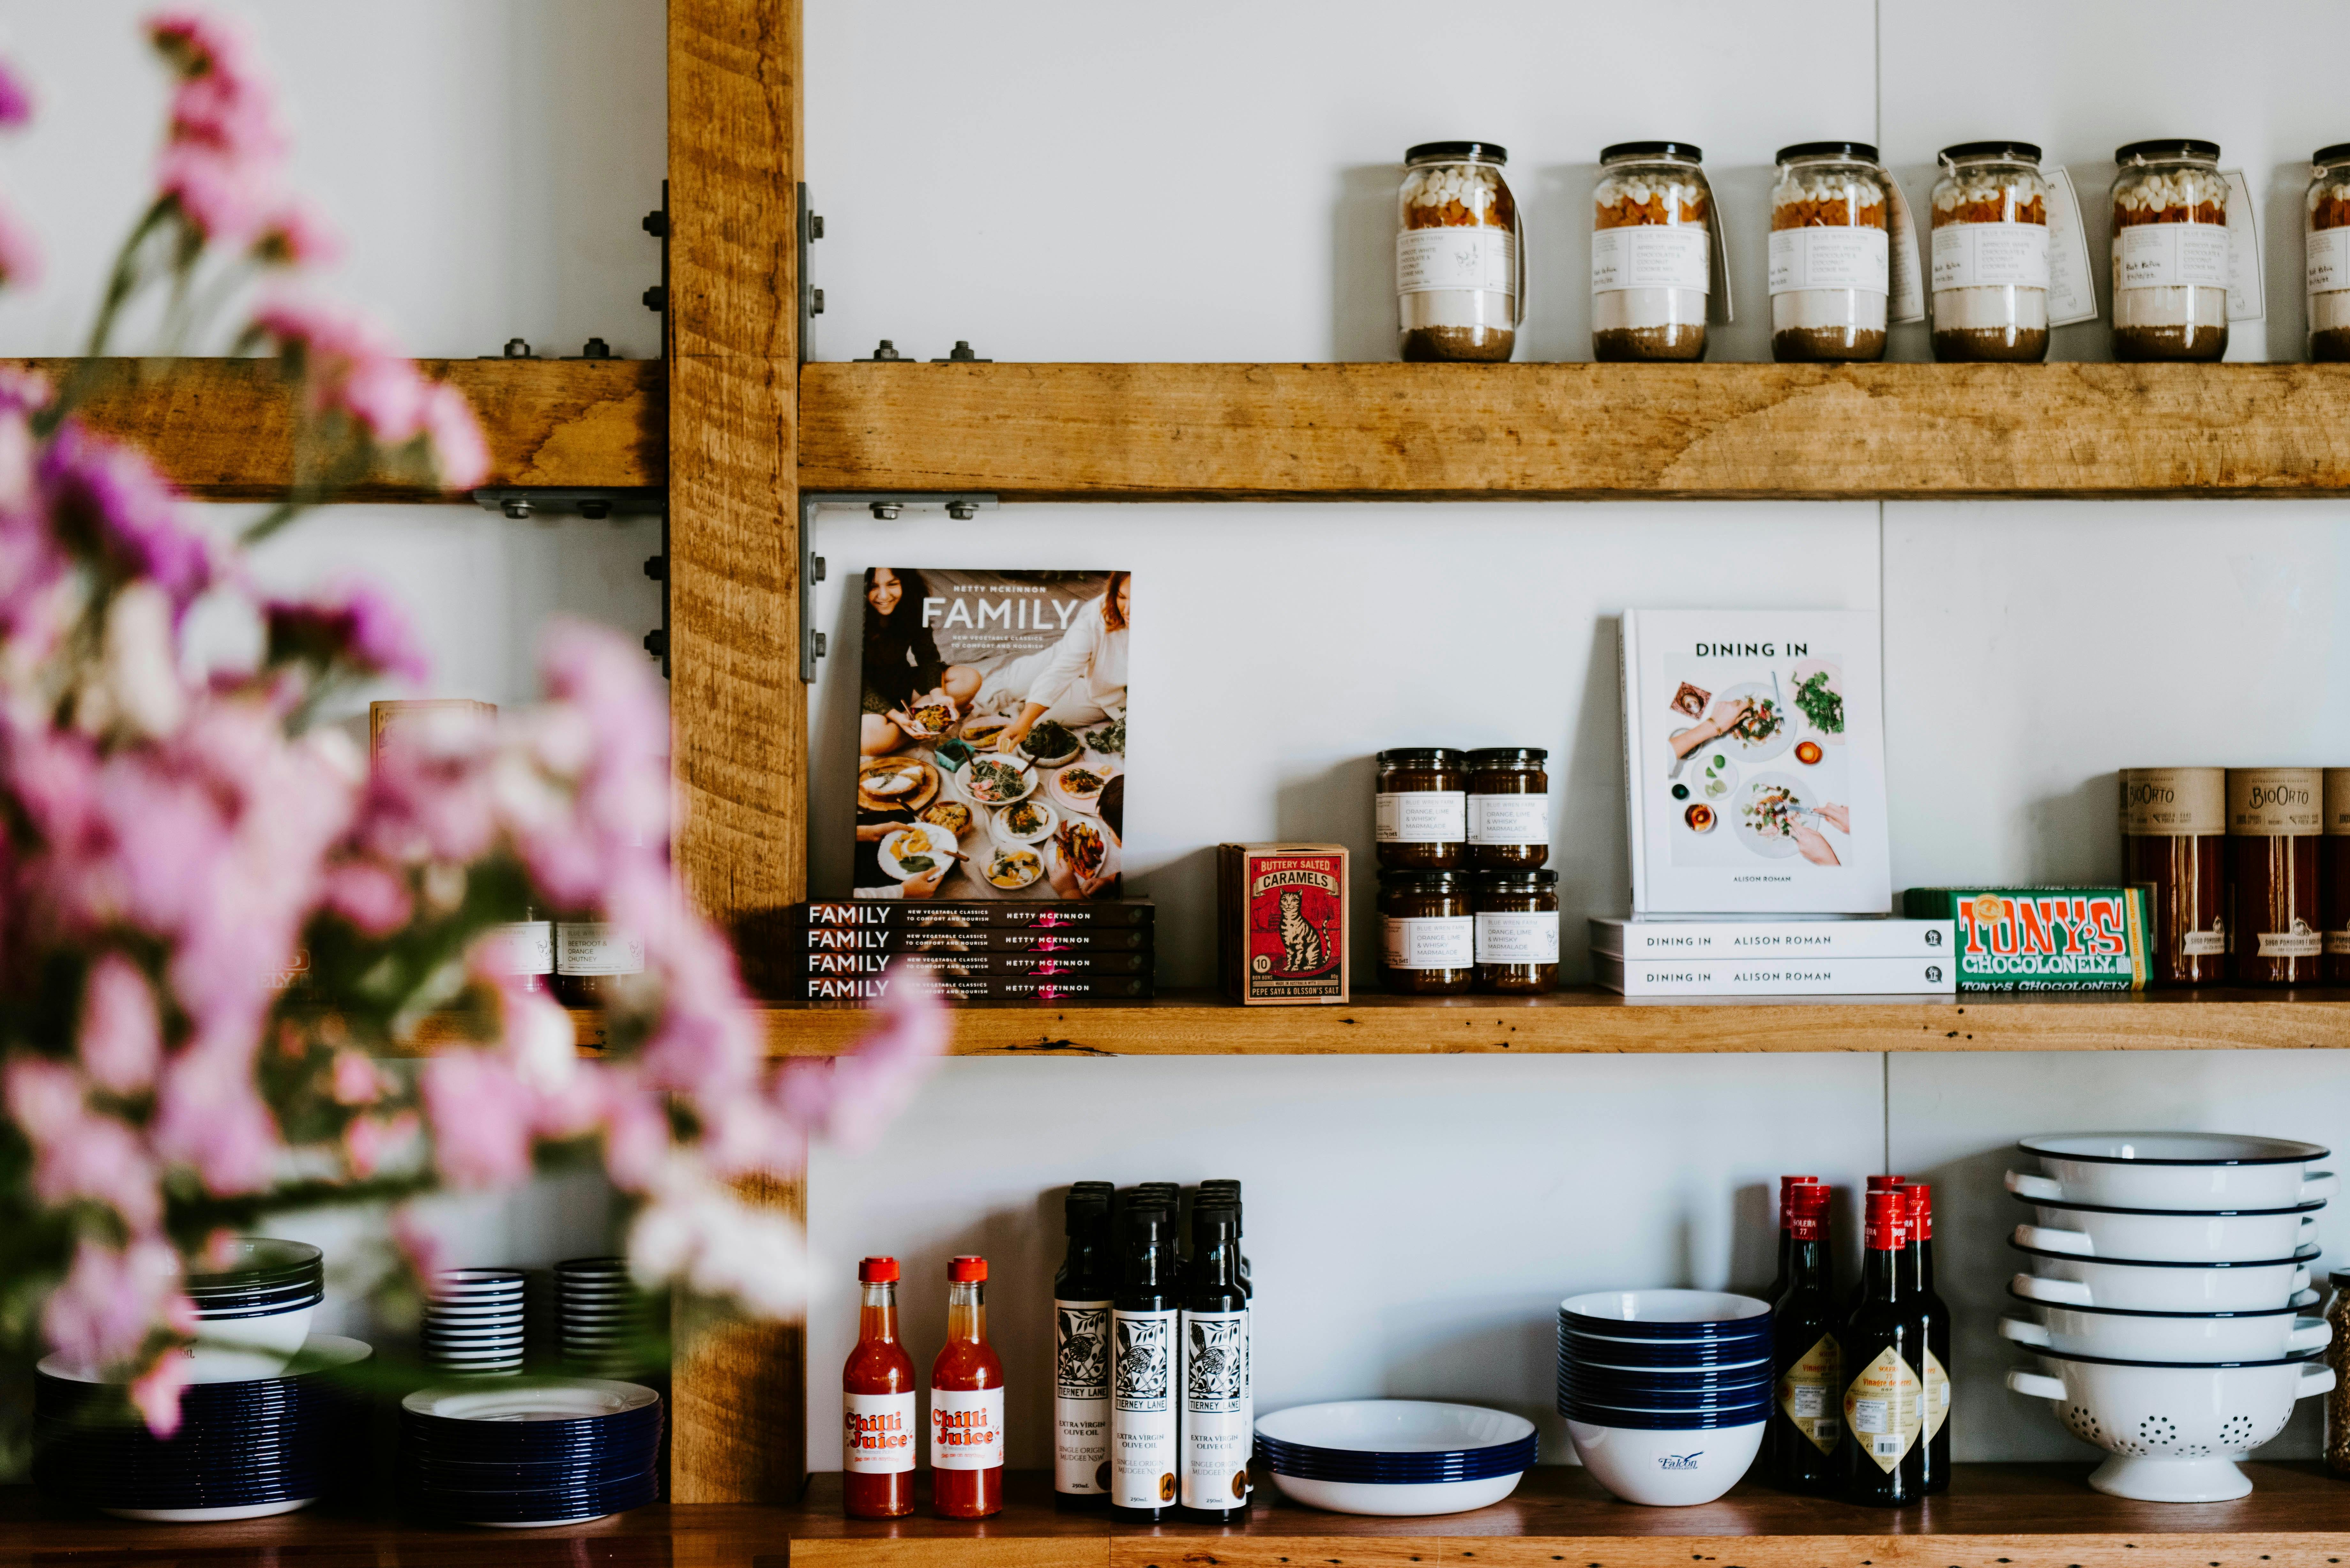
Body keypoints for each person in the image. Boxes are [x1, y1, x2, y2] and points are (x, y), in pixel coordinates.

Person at [989, 573, 1129, 753]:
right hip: (1072, 656)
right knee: (1014, 685)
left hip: (1107, 692)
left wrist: (1027, 722)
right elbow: (1062, 670)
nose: (1128, 611)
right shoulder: (1099, 612)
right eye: (1122, 597)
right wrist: (1023, 723)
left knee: (1041, 721)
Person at [860, 567, 980, 757]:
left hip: (902, 682)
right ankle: (916, 724)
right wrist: (896, 717)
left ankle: (914, 722)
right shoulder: (853, 618)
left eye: (893, 584)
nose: (884, 595)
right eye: (873, 587)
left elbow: (928, 657)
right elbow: (855, 681)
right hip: (866, 695)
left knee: (970, 679)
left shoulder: (912, 607)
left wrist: (939, 697)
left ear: (905, 584)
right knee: (870, 744)